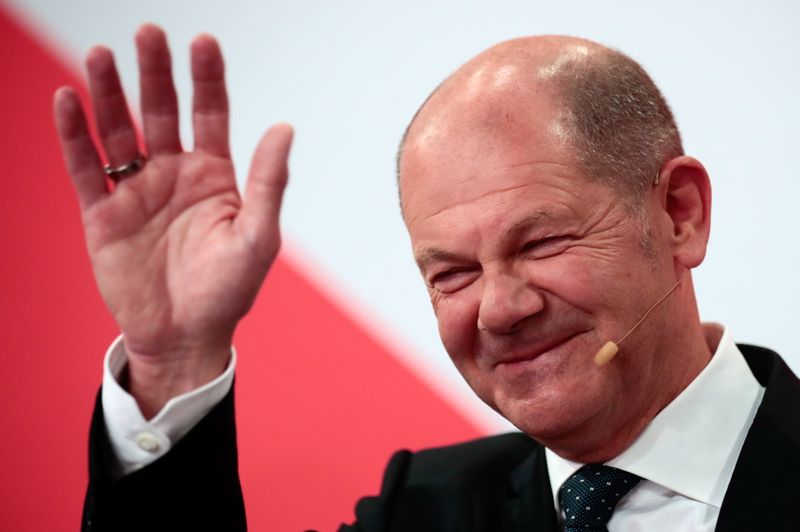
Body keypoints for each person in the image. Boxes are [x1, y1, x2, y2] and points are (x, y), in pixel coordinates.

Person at [54, 24, 800, 532]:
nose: (500, 309)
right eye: (452, 274)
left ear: (679, 214)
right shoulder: (421, 509)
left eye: (540, 241)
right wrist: (174, 360)